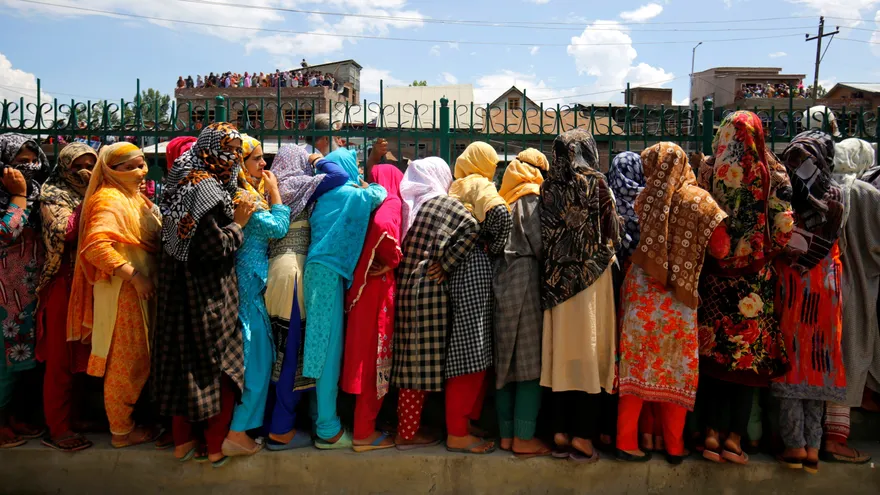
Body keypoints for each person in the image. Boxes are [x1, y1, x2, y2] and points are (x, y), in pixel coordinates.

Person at [615, 143, 728, 465]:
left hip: (640, 290)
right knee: (676, 371)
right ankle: (674, 445)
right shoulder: (699, 201)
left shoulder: (647, 197)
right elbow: (720, 247)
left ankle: (626, 440)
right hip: (679, 298)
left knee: (635, 369)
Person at [152, 123, 256, 467]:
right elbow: (213, 246)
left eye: (236, 152)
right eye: (229, 151)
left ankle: (182, 442)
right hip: (206, 290)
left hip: (176, 287)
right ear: (213, 151)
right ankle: (214, 446)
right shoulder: (207, 188)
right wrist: (239, 223)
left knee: (183, 361)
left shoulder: (181, 174)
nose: (234, 159)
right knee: (217, 362)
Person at [697, 111, 795, 464]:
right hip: (755, 280)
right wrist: (762, 250)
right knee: (744, 361)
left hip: (714, 279)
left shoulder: (708, 169)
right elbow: (784, 227)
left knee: (712, 354)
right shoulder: (774, 171)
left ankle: (709, 433)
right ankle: (734, 440)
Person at [67, 142, 161, 448]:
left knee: (140, 358)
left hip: (139, 289)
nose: (141, 171)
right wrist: (135, 277)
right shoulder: (108, 199)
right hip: (123, 291)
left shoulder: (135, 198)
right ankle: (121, 431)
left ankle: (129, 422)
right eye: (131, 166)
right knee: (126, 360)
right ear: (111, 171)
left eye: (142, 163)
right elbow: (95, 248)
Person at [540, 129, 619, 463]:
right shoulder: (598, 185)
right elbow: (614, 230)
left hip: (556, 284)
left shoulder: (548, 186)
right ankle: (583, 436)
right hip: (591, 281)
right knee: (589, 353)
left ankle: (558, 431)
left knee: (561, 356)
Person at [263, 145, 347, 451]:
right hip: (294, 274)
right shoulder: (296, 184)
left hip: (272, 272)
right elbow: (340, 175)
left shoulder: (270, 185)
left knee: (276, 353)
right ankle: (281, 430)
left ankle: (270, 422)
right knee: (291, 355)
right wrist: (316, 158)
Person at [773, 131, 847, 474]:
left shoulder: (787, 193)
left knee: (792, 357)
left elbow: (783, 236)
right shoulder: (837, 195)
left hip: (793, 283)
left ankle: (794, 444)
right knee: (817, 359)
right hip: (826, 284)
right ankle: (813, 446)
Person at [303, 148, 386, 449]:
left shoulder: (323, 196)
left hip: (320, 272)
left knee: (318, 346)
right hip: (327, 274)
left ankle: (318, 416)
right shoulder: (348, 193)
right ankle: (328, 429)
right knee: (327, 350)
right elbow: (378, 194)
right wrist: (366, 183)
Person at [391, 157, 474, 449]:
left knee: (411, 364)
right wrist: (448, 263)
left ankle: (409, 428)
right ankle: (407, 434)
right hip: (429, 291)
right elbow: (471, 227)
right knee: (419, 367)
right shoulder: (444, 204)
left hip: (405, 288)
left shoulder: (410, 204)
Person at [224, 136, 290, 456]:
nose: (264, 165)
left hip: (251, 283)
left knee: (257, 358)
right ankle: (236, 431)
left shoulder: (248, 193)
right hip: (248, 286)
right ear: (240, 164)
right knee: (255, 359)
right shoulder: (243, 198)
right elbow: (278, 227)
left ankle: (240, 427)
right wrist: (276, 192)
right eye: (257, 159)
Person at [444, 142, 511, 455]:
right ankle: (457, 432)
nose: (495, 170)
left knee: (465, 348)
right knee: (471, 349)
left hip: (455, 270)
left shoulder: (457, 184)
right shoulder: (479, 183)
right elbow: (501, 214)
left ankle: (465, 422)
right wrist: (492, 245)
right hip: (474, 268)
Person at [35, 143, 98, 452]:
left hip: (92, 282)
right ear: (64, 167)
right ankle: (57, 428)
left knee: (84, 354)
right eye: (78, 166)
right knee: (60, 358)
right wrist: (91, 201)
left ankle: (75, 416)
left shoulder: (99, 192)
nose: (84, 171)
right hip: (63, 283)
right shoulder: (51, 195)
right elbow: (65, 230)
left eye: (91, 164)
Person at [821, 138, 877, 464]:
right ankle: (836, 439)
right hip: (854, 287)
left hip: (816, 284)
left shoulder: (820, 188)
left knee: (824, 361)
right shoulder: (866, 195)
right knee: (848, 359)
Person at [342, 164, 404, 452]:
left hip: (359, 288)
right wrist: (393, 259)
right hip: (377, 292)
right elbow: (384, 229)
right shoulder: (391, 201)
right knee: (375, 359)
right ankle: (364, 433)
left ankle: (362, 425)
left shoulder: (365, 199)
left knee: (361, 357)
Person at [493, 149, 550, 457]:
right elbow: (540, 244)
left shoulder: (503, 197)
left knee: (504, 363)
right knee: (528, 363)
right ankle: (523, 437)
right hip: (526, 279)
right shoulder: (531, 198)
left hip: (500, 277)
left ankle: (504, 435)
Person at [0, 134, 50, 448]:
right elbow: (8, 231)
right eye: (19, 160)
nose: (27, 166)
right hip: (4, 295)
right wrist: (17, 197)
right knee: (2, 362)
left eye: (33, 158)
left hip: (28, 293)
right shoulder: (20, 194)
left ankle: (11, 416)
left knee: (20, 362)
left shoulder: (38, 193)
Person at [603, 151, 646, 452]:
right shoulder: (647, 203)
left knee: (609, 352)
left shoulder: (606, 199)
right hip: (640, 286)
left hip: (609, 280)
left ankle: (606, 429)